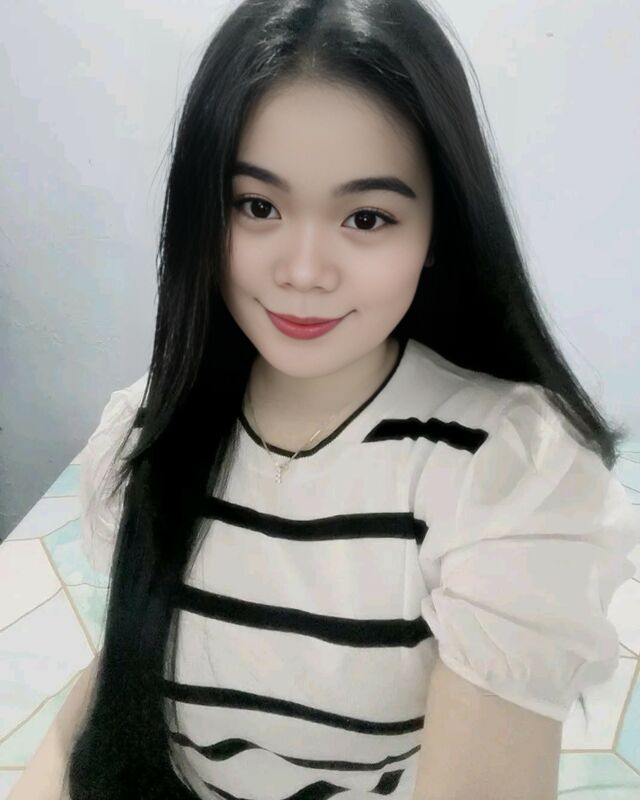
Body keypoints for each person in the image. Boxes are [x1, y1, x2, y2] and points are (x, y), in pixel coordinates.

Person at [13, 1, 639, 799]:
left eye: (366, 217)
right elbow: (125, 671)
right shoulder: (152, 424)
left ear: (438, 230)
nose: (304, 271)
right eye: (258, 206)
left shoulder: (504, 472)